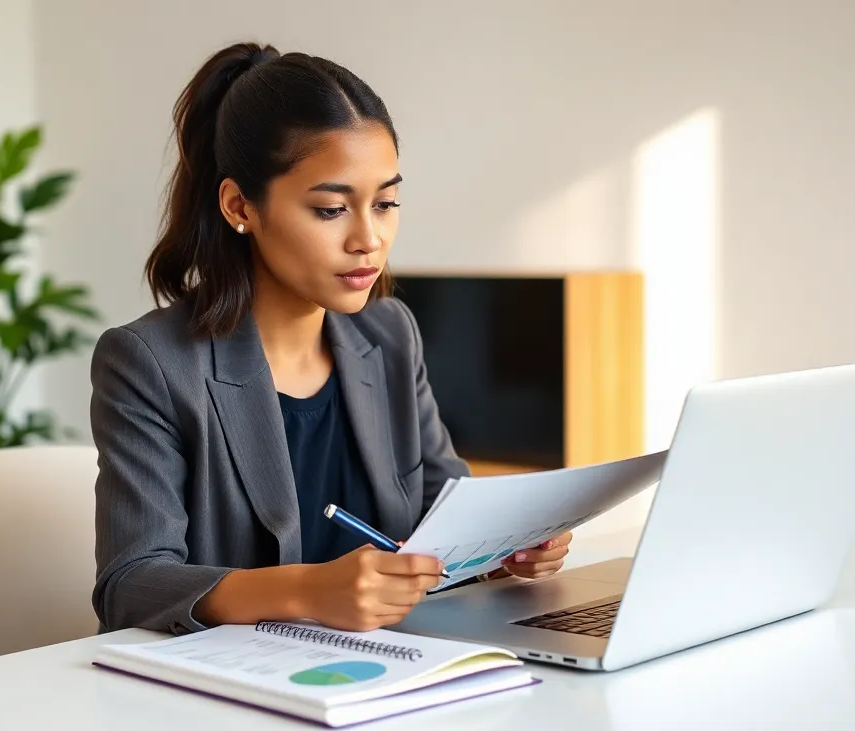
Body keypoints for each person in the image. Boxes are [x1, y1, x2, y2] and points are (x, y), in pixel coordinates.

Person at [91, 41, 571, 636]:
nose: (368, 239)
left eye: (387, 202)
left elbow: (442, 508)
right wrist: (309, 590)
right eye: (330, 210)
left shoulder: (389, 333)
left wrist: (505, 547)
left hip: (389, 673)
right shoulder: (151, 362)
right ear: (240, 205)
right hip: (232, 699)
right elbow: (131, 584)